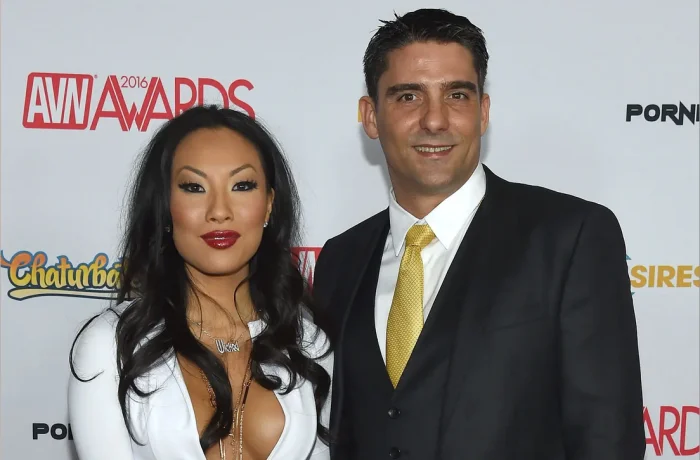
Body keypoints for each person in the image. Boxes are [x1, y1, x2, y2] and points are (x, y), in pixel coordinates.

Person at [312, 8, 646, 460]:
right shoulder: (341, 259)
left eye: (457, 95)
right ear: (371, 117)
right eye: (408, 96)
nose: (435, 120)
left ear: (482, 112)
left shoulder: (570, 238)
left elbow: (607, 439)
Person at [68, 105, 333, 460]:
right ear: (165, 206)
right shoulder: (111, 344)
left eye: (242, 186)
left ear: (269, 204)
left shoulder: (308, 344)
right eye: (194, 187)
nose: (219, 211)